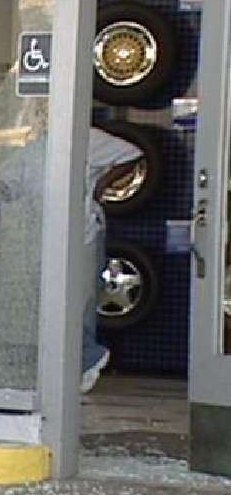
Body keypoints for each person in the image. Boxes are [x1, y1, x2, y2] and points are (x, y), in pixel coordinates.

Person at [81, 125, 144, 393]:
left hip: (84, 232)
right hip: (49, 233)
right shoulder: (35, 144)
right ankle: (81, 359)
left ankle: (89, 358)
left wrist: (101, 184)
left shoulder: (88, 138)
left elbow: (132, 154)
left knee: (81, 300)